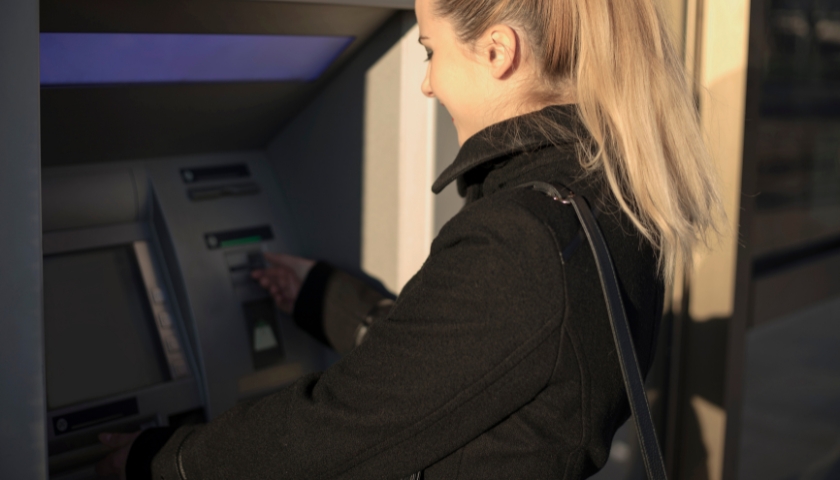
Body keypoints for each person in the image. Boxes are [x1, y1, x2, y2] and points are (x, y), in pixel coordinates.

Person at [97, 0, 723, 477]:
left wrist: (157, 460)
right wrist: (324, 296)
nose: (427, 83)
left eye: (429, 50)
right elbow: (474, 365)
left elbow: (335, 432)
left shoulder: (521, 237)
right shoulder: (607, 193)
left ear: (497, 52)